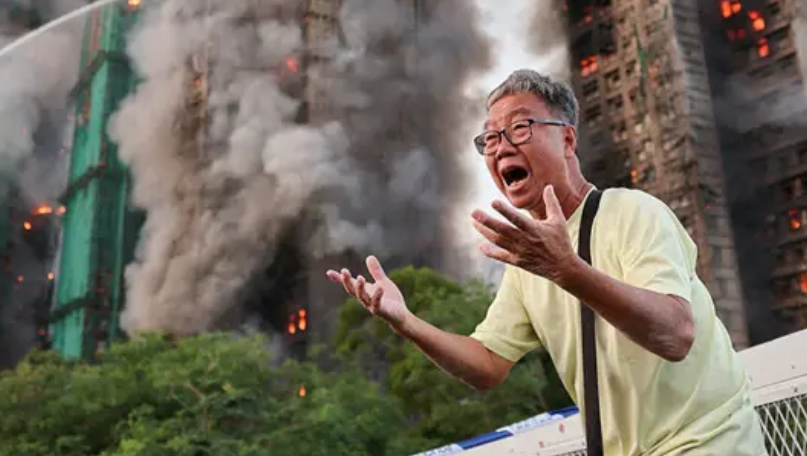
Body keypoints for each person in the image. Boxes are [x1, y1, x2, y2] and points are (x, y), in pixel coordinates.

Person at [326, 69, 767, 456]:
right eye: (491, 138)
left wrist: (566, 270)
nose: (501, 148)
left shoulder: (633, 212)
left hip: (706, 443)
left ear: (568, 138)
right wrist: (405, 322)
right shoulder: (527, 262)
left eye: (520, 128)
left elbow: (676, 334)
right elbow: (486, 365)